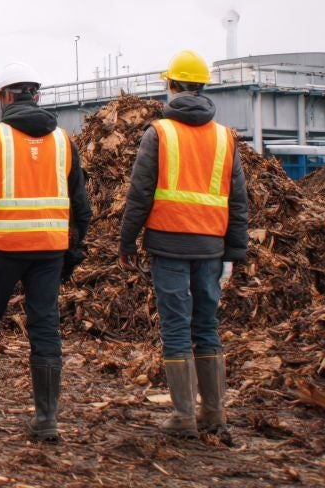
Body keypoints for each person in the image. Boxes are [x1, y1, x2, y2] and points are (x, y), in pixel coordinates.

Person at [0, 62, 92, 442]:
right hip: (49, 249)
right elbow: (81, 203)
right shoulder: (64, 141)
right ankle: (46, 419)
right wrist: (73, 248)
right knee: (45, 327)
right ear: (37, 95)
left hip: (2, 247)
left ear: (7, 98)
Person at [119, 49, 248, 438]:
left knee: (176, 328)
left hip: (169, 246)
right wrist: (236, 251)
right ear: (203, 88)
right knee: (206, 326)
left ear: (172, 87)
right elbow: (238, 199)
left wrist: (126, 241)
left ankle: (183, 416)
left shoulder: (159, 133)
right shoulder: (225, 138)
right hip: (210, 247)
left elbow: (140, 193)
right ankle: (214, 413)